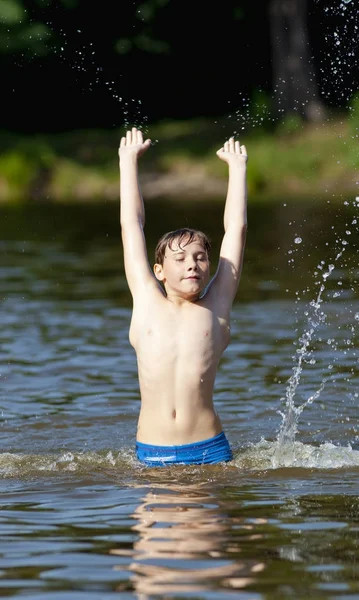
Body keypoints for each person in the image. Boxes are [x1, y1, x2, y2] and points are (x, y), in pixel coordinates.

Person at [119, 127, 247, 466]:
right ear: (159, 270)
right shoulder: (146, 301)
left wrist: (237, 169)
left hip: (210, 451)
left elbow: (236, 229)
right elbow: (131, 224)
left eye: (200, 257)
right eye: (180, 259)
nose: (192, 265)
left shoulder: (217, 303)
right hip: (151, 454)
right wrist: (127, 161)